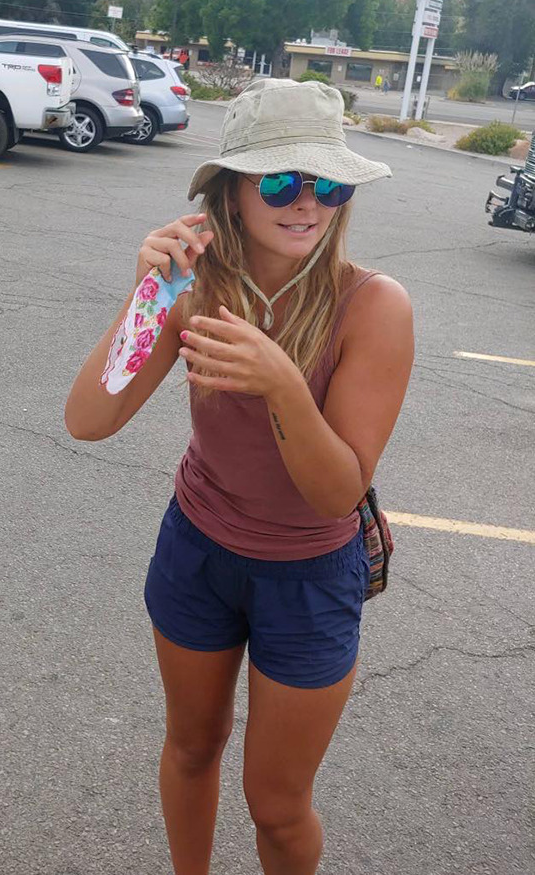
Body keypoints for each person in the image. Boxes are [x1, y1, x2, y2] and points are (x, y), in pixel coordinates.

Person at [65, 80, 414, 875]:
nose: (309, 205)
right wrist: (149, 292)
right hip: (198, 550)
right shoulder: (197, 284)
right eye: (283, 181)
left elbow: (335, 492)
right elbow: (89, 418)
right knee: (192, 747)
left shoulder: (373, 305)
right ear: (231, 186)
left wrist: (284, 382)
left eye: (329, 183)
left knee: (280, 808)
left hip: (311, 572)